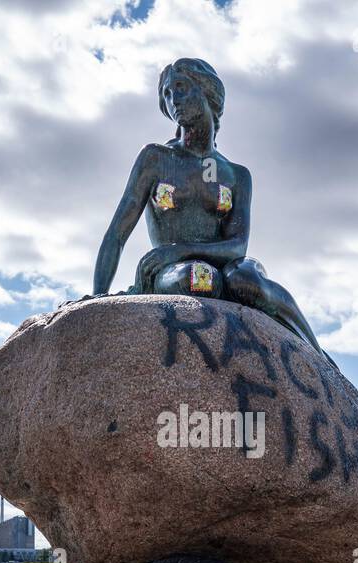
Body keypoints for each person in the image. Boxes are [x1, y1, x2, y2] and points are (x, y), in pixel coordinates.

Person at [92, 58, 330, 361]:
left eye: (181, 88)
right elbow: (117, 233)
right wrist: (99, 298)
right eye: (166, 94)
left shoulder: (236, 175)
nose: (173, 100)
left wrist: (176, 249)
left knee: (246, 281)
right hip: (173, 272)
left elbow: (237, 246)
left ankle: (318, 355)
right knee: (199, 278)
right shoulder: (155, 158)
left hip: (223, 265)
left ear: (207, 92)